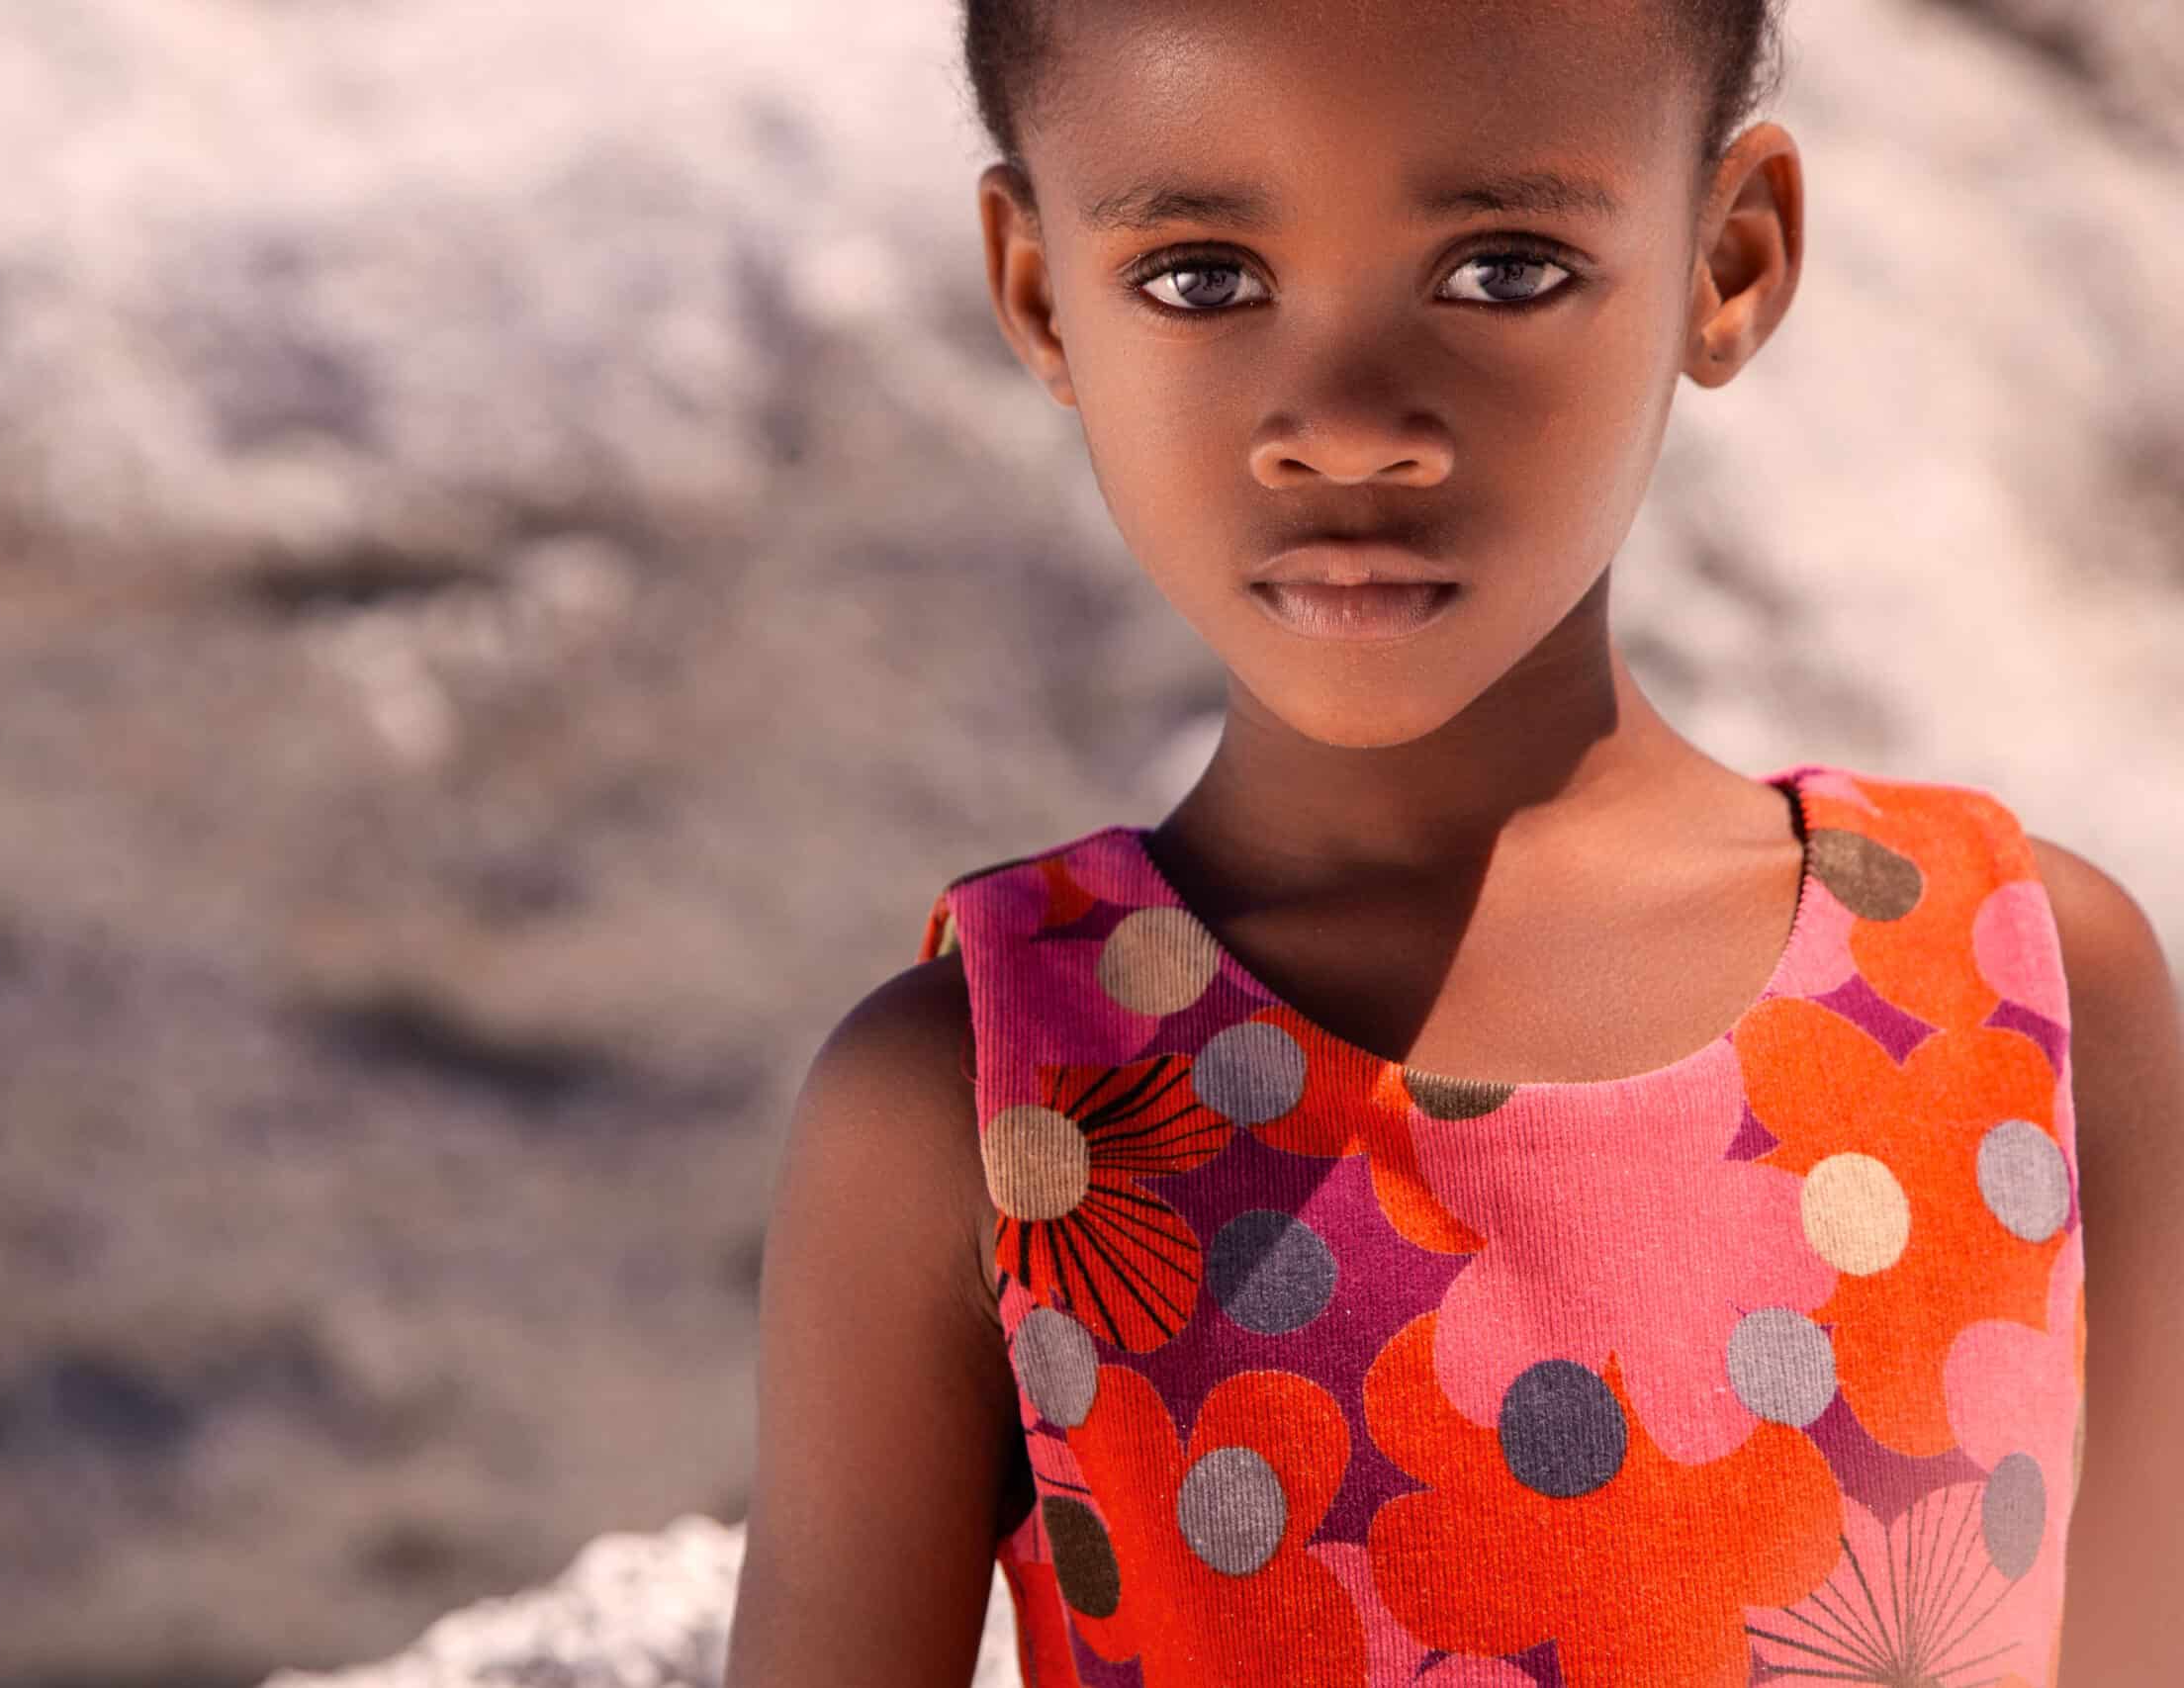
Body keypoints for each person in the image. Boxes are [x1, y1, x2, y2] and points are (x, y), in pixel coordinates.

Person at [722, 1, 2184, 1682]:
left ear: (1731, 258)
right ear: (1043, 294)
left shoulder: (2028, 993)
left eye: (1503, 270)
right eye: (1204, 276)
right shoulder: (987, 1103)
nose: (1346, 424)